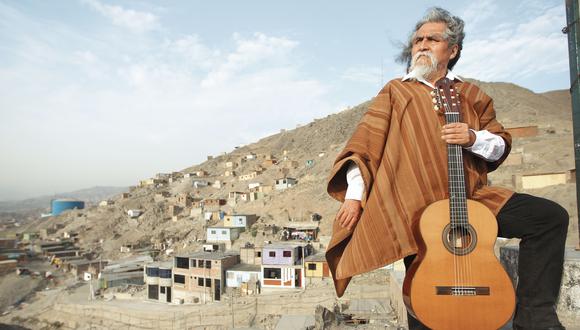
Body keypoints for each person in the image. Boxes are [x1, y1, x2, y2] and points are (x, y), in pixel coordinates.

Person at [325, 7, 569, 330]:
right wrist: (354, 197)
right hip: (418, 212)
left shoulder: (471, 95)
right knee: (428, 302)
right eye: (417, 40)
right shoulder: (396, 92)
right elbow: (365, 145)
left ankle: (535, 319)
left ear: (452, 50)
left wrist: (472, 137)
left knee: (550, 219)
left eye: (432, 39)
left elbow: (499, 143)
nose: (421, 45)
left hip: (473, 201)